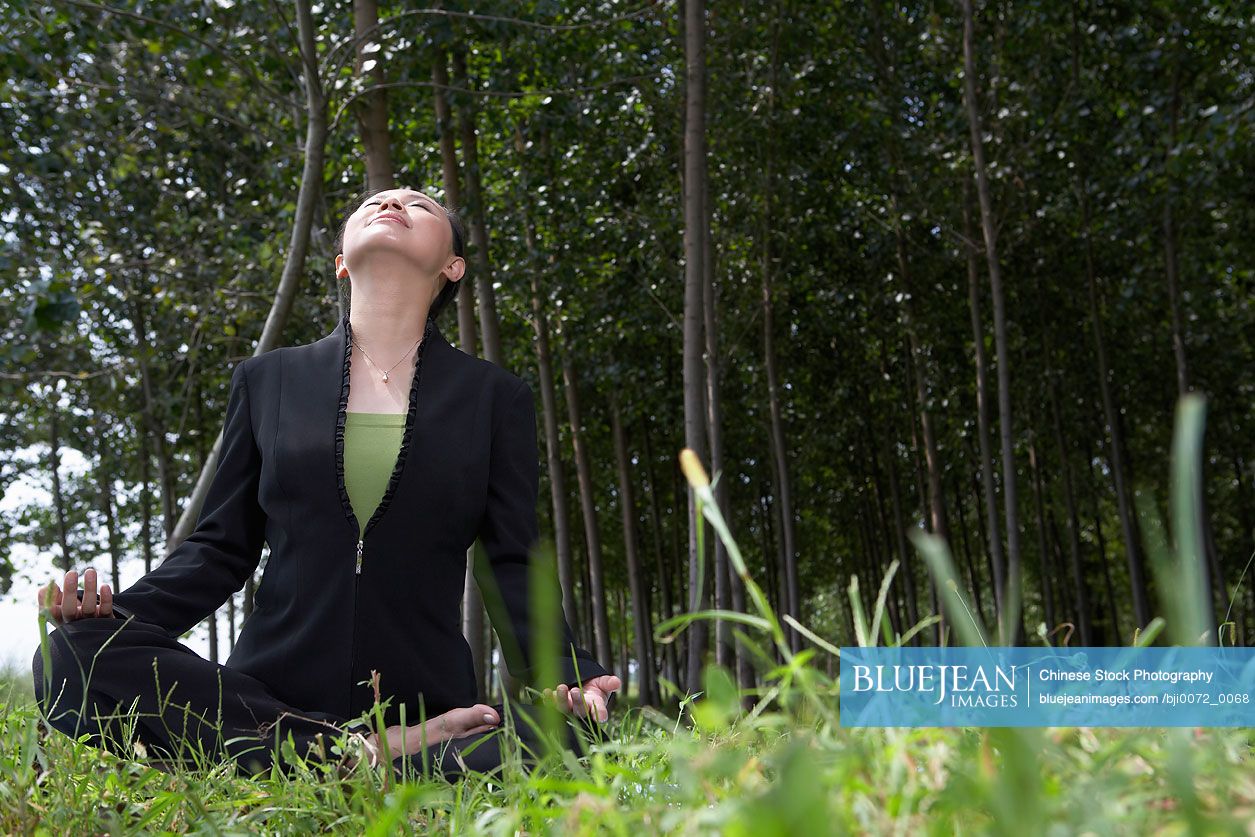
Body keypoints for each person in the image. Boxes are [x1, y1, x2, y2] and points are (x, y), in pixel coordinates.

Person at [31, 185, 622, 780]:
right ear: (341, 259)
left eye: (419, 205)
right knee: (68, 660)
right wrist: (114, 619)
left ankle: (330, 759)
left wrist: (569, 674)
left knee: (571, 735)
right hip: (269, 694)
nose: (391, 204)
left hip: (430, 696)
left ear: (452, 266)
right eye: (375, 202)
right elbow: (220, 547)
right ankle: (361, 753)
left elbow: (511, 561)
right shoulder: (269, 381)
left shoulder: (495, 398)